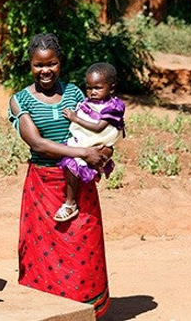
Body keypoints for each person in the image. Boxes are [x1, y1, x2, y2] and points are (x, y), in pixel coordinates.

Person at [7, 33, 112, 318]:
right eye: (39, 65)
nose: (45, 71)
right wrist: (83, 154)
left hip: (77, 183)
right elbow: (38, 143)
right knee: (42, 252)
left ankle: (84, 311)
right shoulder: (19, 101)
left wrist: (103, 151)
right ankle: (45, 312)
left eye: (51, 64)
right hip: (42, 185)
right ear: (30, 65)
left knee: (82, 244)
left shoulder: (76, 93)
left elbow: (94, 129)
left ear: (60, 63)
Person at [54, 63, 126, 222]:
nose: (92, 92)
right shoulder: (92, 102)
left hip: (98, 138)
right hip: (89, 138)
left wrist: (75, 118)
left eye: (98, 88)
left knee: (75, 161)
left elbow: (99, 127)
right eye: (89, 88)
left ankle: (70, 202)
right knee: (73, 159)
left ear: (111, 88)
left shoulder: (113, 106)